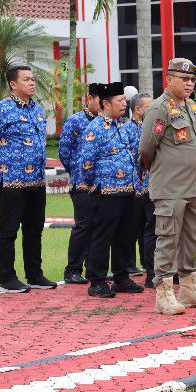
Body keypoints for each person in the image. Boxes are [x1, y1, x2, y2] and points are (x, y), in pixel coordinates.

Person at [140, 58, 196, 314]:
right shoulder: (158, 109)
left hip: (194, 188)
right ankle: (164, 294)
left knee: (192, 239)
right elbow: (146, 149)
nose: (189, 83)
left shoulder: (190, 106)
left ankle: (189, 288)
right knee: (167, 239)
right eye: (184, 79)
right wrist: (165, 170)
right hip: (171, 187)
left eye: (193, 80)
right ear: (168, 79)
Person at [0, 65, 57, 293]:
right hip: (12, 181)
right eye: (26, 79)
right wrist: (6, 162)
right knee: (8, 230)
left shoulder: (38, 110)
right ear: (14, 84)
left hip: (36, 181)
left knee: (34, 229)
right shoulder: (1, 110)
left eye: (33, 79)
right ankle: (7, 279)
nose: (32, 83)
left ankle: (34, 274)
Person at [79, 82, 144, 298]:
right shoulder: (95, 128)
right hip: (106, 191)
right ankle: (96, 281)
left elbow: (134, 156)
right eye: (120, 101)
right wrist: (92, 184)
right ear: (105, 104)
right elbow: (86, 162)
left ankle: (121, 278)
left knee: (125, 237)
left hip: (128, 190)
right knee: (102, 236)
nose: (124, 104)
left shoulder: (122, 126)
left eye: (125, 100)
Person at [58, 82, 102, 284]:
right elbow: (64, 153)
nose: (103, 105)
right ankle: (73, 269)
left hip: (102, 183)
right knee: (83, 226)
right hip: (82, 183)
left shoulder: (105, 122)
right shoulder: (75, 121)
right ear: (90, 99)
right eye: (99, 101)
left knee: (99, 226)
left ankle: (93, 269)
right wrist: (77, 171)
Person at [121, 92, 155, 288]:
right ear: (137, 110)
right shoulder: (126, 130)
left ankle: (152, 272)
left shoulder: (155, 128)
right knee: (131, 230)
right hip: (134, 188)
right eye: (148, 107)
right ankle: (125, 271)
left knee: (152, 230)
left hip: (153, 186)